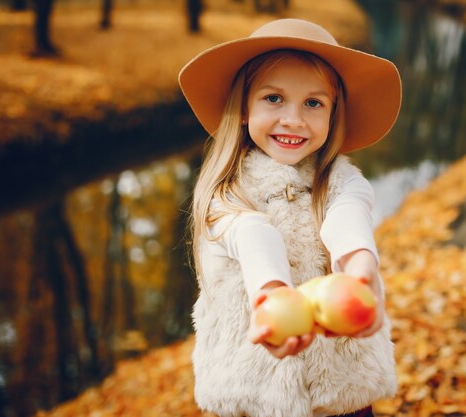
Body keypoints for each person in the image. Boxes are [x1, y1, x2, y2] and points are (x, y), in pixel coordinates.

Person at [178, 18, 402, 417]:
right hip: (253, 395)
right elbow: (251, 235)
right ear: (243, 109)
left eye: (313, 103)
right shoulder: (224, 194)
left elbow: (347, 217)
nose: (294, 119)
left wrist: (359, 267)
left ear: (334, 116)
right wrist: (272, 292)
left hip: (339, 395)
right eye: (273, 98)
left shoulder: (341, 181)